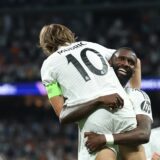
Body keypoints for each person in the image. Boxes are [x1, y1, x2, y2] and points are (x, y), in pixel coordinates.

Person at [39, 24, 141, 160]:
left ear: (45, 44)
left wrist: (98, 100)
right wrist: (134, 95)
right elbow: (136, 61)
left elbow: (61, 112)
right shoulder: (90, 45)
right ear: (69, 35)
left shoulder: (48, 66)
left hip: (94, 120)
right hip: (123, 107)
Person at [59, 48, 153, 160]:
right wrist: (98, 100)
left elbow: (144, 133)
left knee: (135, 148)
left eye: (131, 62)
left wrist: (105, 138)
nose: (126, 64)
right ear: (109, 64)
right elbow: (63, 116)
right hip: (98, 152)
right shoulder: (91, 93)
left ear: (134, 72)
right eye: (121, 59)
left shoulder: (138, 96)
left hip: (123, 151)